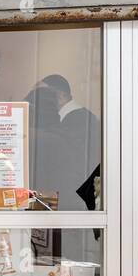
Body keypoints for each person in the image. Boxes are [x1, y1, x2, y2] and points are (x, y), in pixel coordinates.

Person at [40, 74, 100, 209]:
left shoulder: (79, 121)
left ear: (60, 96)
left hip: (74, 199)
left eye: (42, 95)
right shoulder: (71, 119)